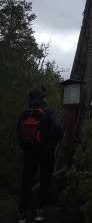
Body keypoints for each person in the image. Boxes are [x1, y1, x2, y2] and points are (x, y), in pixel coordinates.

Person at [17, 87, 63, 223]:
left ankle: (22, 213)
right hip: (45, 152)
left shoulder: (25, 113)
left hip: (28, 152)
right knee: (44, 180)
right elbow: (58, 128)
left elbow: (18, 130)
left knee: (26, 180)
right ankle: (39, 211)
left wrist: (24, 147)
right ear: (42, 98)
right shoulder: (48, 111)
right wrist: (52, 143)